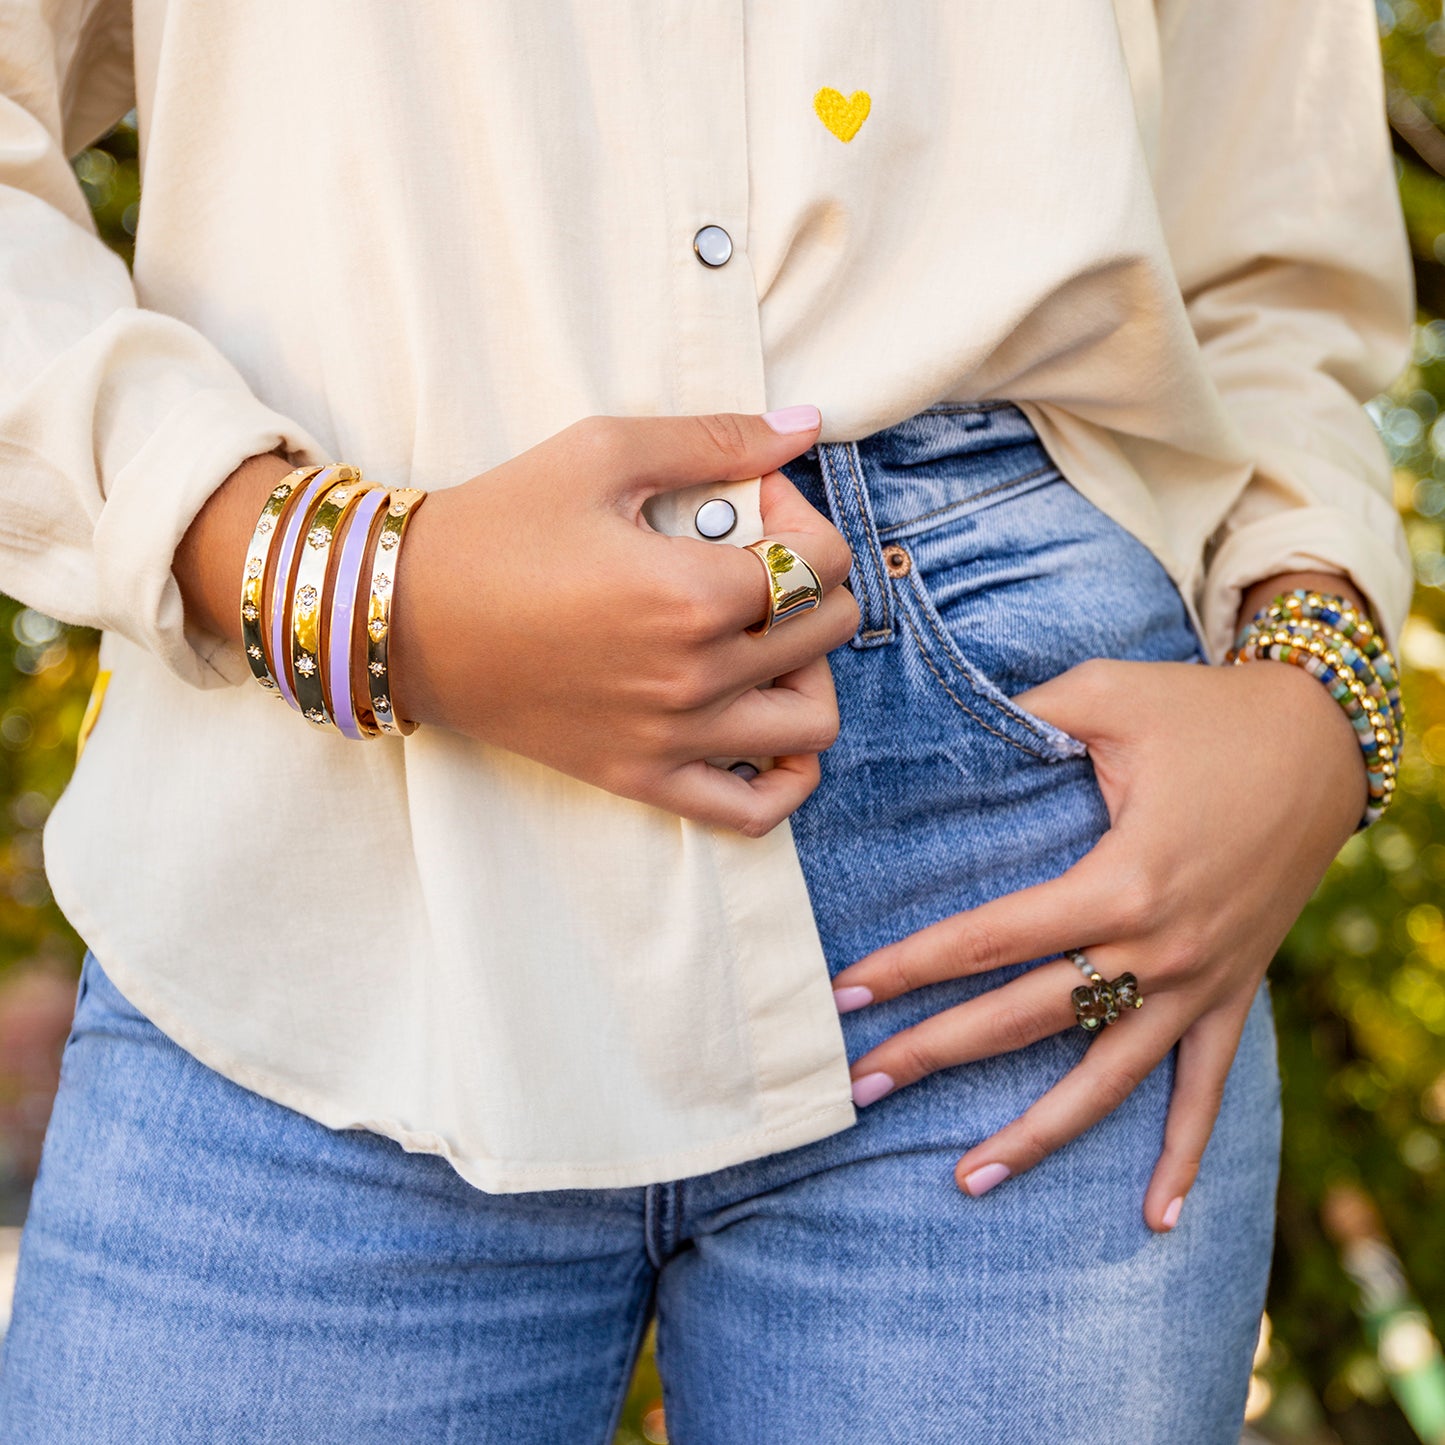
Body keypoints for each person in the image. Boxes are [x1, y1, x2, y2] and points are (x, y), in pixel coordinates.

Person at [0, 1, 1415, 1441]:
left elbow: (1270, 252)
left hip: (1032, 853)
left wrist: (1316, 680)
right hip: (315, 852)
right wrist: (363, 584)